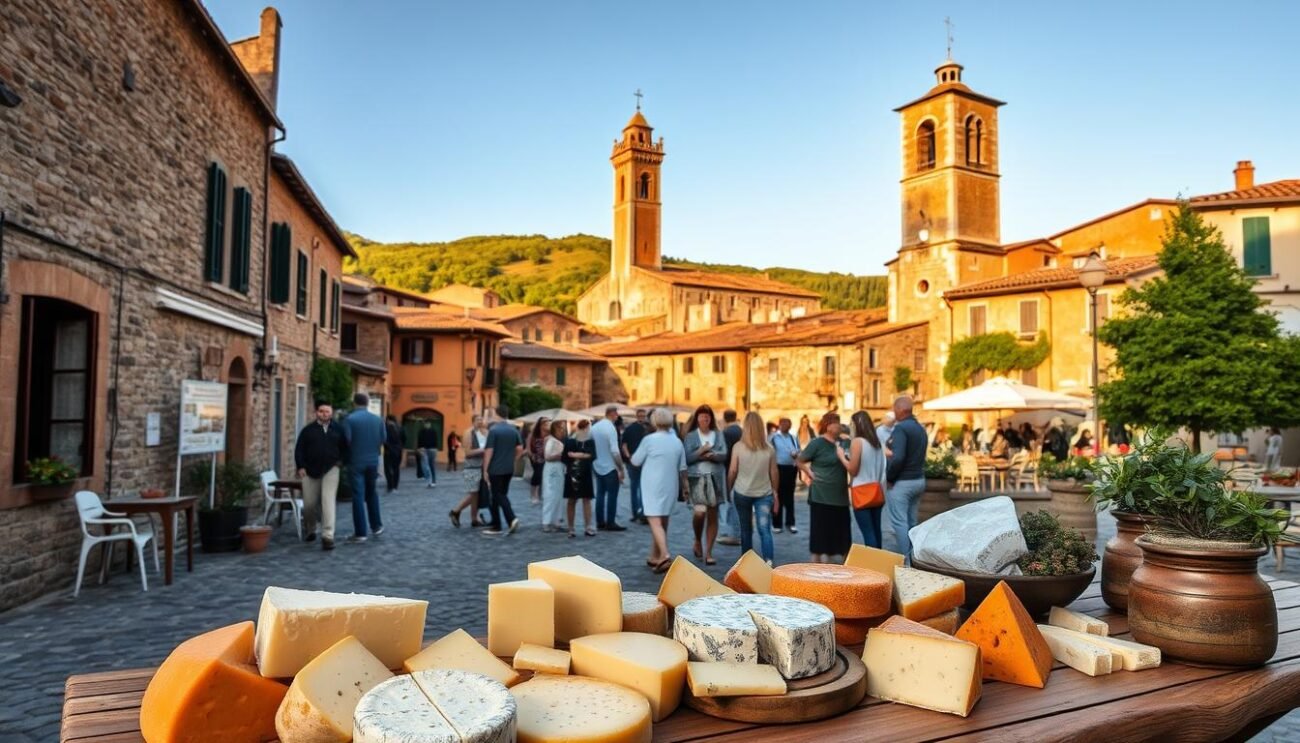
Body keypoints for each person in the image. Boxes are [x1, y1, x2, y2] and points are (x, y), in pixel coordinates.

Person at [631, 408, 688, 572]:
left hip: (652, 484)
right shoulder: (676, 441)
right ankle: (654, 556)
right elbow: (683, 467)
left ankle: (664, 555)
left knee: (654, 520)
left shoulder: (649, 440)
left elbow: (635, 461)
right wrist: (685, 487)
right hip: (670, 483)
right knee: (663, 520)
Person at [294, 400, 348, 551]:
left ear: (331, 413)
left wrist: (341, 462)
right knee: (309, 504)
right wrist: (300, 466)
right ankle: (310, 529)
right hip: (310, 470)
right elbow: (299, 449)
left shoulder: (338, 429)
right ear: (316, 412)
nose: (324, 414)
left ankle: (328, 535)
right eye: (321, 411)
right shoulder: (308, 431)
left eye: (327, 412)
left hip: (331, 469)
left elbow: (345, 448)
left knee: (328, 500)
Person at [797, 412, 850, 563]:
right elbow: (800, 460)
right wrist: (810, 473)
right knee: (821, 536)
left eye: (839, 422)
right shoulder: (817, 443)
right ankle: (819, 565)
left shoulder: (845, 443)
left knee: (843, 536)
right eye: (835, 423)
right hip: (821, 495)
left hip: (840, 497)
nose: (839, 425)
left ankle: (842, 566)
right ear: (827, 426)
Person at [727, 412, 778, 564]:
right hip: (764, 493)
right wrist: (775, 492)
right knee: (765, 530)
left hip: (742, 492)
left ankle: (746, 562)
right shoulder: (769, 449)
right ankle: (768, 560)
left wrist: (729, 486)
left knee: (745, 530)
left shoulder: (738, 447)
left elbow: (733, 470)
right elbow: (774, 472)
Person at [885, 396, 928, 561]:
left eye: (894, 409)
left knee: (900, 523)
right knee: (912, 522)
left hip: (903, 482)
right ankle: (915, 558)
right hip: (918, 479)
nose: (893, 412)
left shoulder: (901, 428)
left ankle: (905, 561)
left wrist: (890, 477)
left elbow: (898, 457)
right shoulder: (920, 428)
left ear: (900, 410)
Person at [684, 404, 728, 565]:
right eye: (702, 416)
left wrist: (713, 455)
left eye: (707, 416)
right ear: (697, 419)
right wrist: (701, 452)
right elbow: (687, 458)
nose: (705, 419)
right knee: (699, 513)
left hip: (715, 478)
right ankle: (697, 539)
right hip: (697, 478)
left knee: (713, 514)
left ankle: (708, 551)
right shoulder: (690, 436)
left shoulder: (718, 435)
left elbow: (724, 455)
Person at [341, 393, 385, 542]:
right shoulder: (377, 420)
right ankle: (376, 525)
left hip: (356, 462)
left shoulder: (350, 419)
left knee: (358, 496)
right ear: (367, 403)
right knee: (372, 493)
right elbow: (383, 439)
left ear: (354, 403)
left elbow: (346, 440)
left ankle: (360, 532)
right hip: (373, 461)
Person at [844, 410, 888, 550]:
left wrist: (841, 456)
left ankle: (872, 568)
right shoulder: (878, 443)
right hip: (877, 489)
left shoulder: (857, 442)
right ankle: (879, 563)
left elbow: (853, 469)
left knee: (868, 534)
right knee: (876, 531)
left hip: (862, 491)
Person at [481, 404, 522, 536]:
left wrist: (485, 469)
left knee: (498, 495)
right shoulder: (513, 430)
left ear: (496, 414)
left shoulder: (494, 430)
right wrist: (513, 459)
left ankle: (511, 519)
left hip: (495, 468)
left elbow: (489, 451)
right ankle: (496, 524)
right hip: (508, 468)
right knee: (498, 496)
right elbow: (519, 449)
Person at [591, 406, 627, 531]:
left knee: (600, 494)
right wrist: (621, 468)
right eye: (616, 414)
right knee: (612, 495)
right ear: (612, 414)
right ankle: (610, 522)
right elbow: (615, 451)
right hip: (610, 466)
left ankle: (600, 521)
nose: (617, 417)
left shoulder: (594, 427)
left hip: (597, 464)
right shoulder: (610, 428)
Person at [449, 416, 488, 528]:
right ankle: (457, 512)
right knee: (474, 493)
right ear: (473, 421)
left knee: (476, 494)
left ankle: (473, 519)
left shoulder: (484, 432)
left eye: (482, 419)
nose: (480, 421)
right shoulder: (468, 433)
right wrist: (483, 450)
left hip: (482, 466)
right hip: (472, 467)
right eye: (478, 420)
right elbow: (468, 452)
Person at [564, 419, 597, 537]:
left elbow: (592, 455)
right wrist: (584, 455)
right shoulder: (570, 441)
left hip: (585, 473)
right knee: (572, 500)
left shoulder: (590, 442)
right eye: (588, 427)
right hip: (572, 474)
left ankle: (588, 527)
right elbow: (567, 455)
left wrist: (577, 455)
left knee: (586, 499)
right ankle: (571, 528)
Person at [769, 417, 800, 534]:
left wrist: (797, 453)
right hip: (778, 468)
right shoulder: (774, 437)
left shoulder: (793, 437)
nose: (785, 425)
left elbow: (799, 450)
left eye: (787, 423)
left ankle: (790, 523)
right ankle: (776, 523)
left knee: (790, 497)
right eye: (783, 423)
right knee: (777, 496)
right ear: (779, 424)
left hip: (791, 469)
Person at [717, 409, 744, 547]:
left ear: (724, 418)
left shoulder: (727, 432)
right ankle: (739, 532)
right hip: (744, 470)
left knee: (733, 503)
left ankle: (736, 534)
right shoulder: (741, 430)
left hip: (730, 470)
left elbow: (725, 454)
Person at [621, 409, 650, 524]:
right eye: (641, 416)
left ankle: (638, 513)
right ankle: (640, 512)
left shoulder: (645, 429)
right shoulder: (647, 429)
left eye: (643, 416)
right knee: (638, 487)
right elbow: (624, 445)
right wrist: (629, 457)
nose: (642, 418)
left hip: (638, 461)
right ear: (638, 416)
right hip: (639, 461)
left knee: (636, 487)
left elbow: (624, 445)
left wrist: (629, 457)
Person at [541, 420, 568, 532]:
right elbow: (547, 456)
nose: (563, 430)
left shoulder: (557, 440)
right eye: (561, 428)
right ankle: (546, 522)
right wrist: (561, 455)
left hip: (558, 469)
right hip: (552, 469)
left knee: (559, 495)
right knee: (550, 495)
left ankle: (558, 521)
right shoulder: (551, 440)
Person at [527, 418, 550, 506]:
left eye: (548, 424)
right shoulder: (533, 434)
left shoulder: (549, 434)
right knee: (537, 474)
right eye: (545, 424)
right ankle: (534, 494)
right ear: (540, 425)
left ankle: (538, 494)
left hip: (545, 457)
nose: (547, 426)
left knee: (541, 475)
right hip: (535, 457)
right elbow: (528, 447)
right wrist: (531, 455)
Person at [383, 415, 404, 492]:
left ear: (388, 420)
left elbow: (384, 439)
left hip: (389, 451)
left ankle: (390, 486)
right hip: (398, 451)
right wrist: (400, 446)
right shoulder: (400, 428)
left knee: (388, 469)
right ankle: (395, 486)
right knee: (396, 469)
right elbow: (404, 438)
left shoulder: (386, 428)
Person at [417, 420, 439, 489]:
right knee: (425, 466)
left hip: (432, 450)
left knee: (431, 466)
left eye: (428, 423)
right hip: (425, 450)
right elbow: (419, 441)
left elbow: (436, 440)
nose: (427, 425)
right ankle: (429, 480)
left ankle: (433, 482)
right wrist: (419, 448)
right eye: (426, 423)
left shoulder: (433, 431)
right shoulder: (421, 431)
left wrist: (435, 449)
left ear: (430, 424)